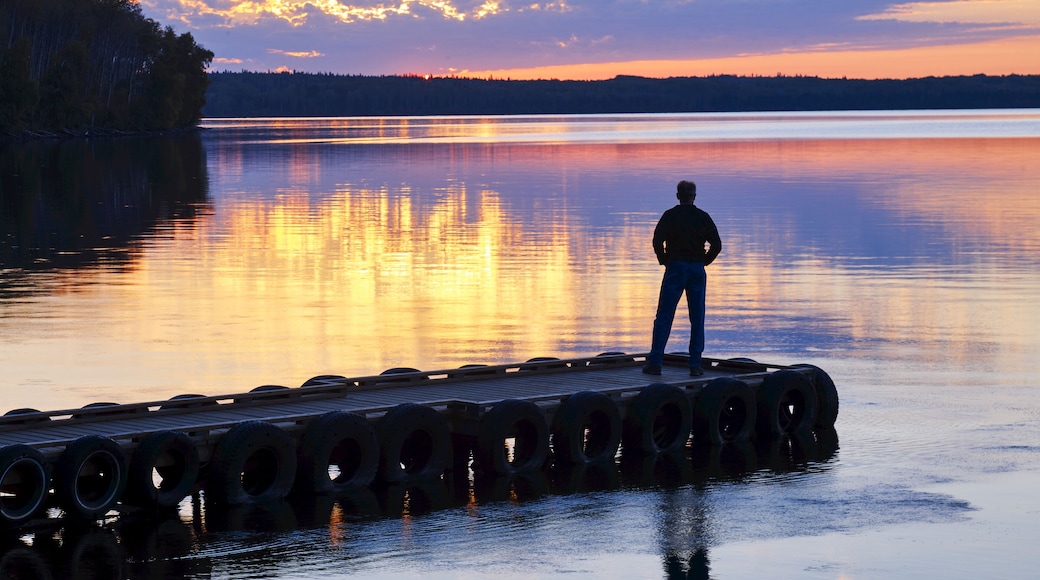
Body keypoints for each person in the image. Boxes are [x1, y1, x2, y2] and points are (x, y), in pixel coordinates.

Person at [643, 180, 722, 377]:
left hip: (675, 267)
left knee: (664, 316)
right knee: (697, 318)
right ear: (694, 196)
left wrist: (664, 260)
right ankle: (695, 365)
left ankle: (655, 362)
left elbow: (656, 241)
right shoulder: (703, 217)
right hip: (696, 269)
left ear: (678, 196)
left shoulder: (670, 216)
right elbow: (717, 244)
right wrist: (704, 261)